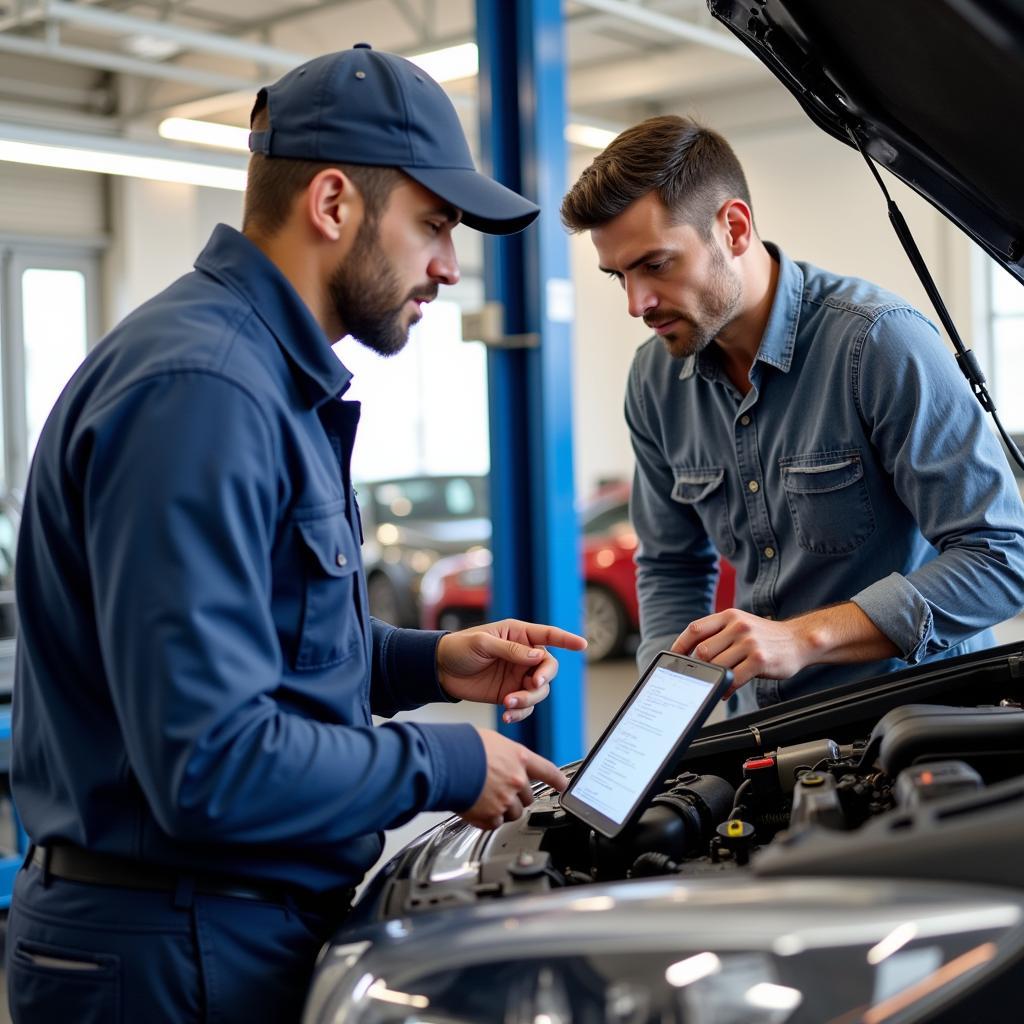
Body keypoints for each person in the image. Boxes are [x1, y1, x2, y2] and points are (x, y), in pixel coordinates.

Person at [6, 45, 586, 1023]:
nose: (448, 264)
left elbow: (261, 650)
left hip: (213, 927)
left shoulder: (256, 377)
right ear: (332, 203)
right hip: (170, 951)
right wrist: (448, 763)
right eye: (434, 224)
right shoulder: (203, 392)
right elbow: (212, 763)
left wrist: (430, 662)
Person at [561, 114, 1024, 715]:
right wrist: (667, 710)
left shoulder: (879, 345)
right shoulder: (655, 382)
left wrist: (802, 638)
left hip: (920, 726)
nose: (635, 303)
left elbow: (999, 558)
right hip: (764, 733)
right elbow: (672, 566)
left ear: (733, 227)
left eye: (655, 265)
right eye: (618, 275)